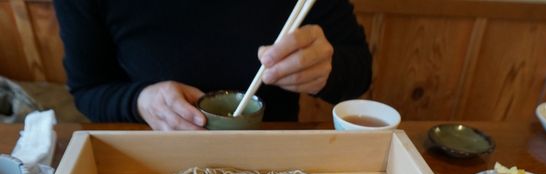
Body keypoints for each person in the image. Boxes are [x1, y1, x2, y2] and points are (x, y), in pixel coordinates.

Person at [52, 0, 372, 130]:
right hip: (154, 159)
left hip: (273, 161)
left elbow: (359, 71)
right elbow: (87, 90)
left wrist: (324, 71)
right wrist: (140, 101)